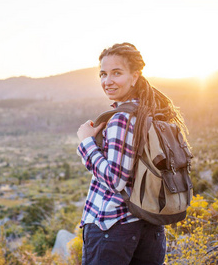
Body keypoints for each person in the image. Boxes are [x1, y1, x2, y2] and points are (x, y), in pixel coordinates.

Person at [76, 43, 188, 265]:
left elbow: (115, 180)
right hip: (149, 223)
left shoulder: (121, 119)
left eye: (116, 73)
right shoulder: (152, 113)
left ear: (134, 76)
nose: (107, 81)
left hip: (112, 226)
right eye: (103, 74)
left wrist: (87, 142)